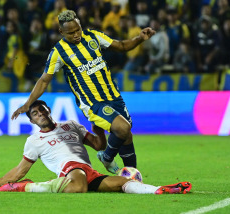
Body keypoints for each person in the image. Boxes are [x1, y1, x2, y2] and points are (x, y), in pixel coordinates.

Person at [11, 10, 156, 174]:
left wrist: (139, 38)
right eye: (70, 33)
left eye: (78, 29)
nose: (76, 35)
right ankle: (107, 158)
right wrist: (27, 104)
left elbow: (121, 46)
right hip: (93, 103)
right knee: (122, 128)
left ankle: (132, 177)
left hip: (114, 97)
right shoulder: (58, 52)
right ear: (61, 32)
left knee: (126, 135)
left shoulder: (93, 36)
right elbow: (44, 80)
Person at [0, 100, 192, 195]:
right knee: (78, 187)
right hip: (70, 169)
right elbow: (19, 171)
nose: (41, 114)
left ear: (49, 110)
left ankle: (160, 190)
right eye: (35, 114)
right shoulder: (34, 141)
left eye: (42, 109)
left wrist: (98, 125)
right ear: (33, 121)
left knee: (125, 183)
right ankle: (24, 188)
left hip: (88, 171)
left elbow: (98, 145)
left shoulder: (70, 125)